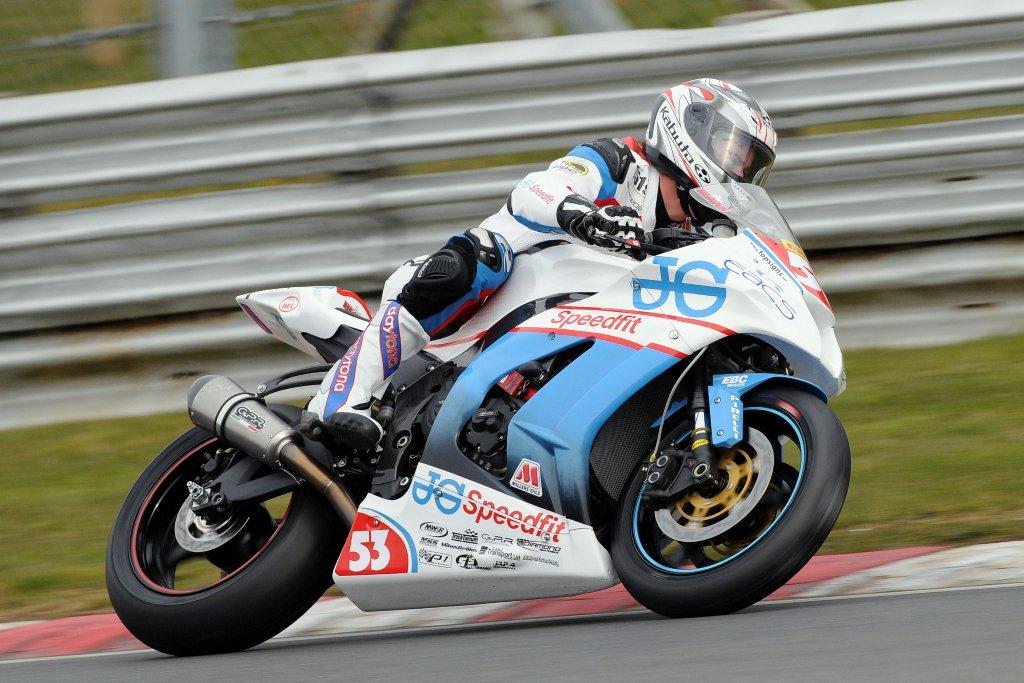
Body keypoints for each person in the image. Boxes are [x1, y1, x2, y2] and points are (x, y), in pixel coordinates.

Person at [308, 77, 779, 450]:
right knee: (480, 257)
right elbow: (537, 189)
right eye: (736, 154)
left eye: (750, 166)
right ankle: (340, 397)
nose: (740, 172)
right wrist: (587, 217)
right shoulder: (619, 161)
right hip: (486, 301)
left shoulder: (689, 235)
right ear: (692, 130)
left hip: (571, 330)